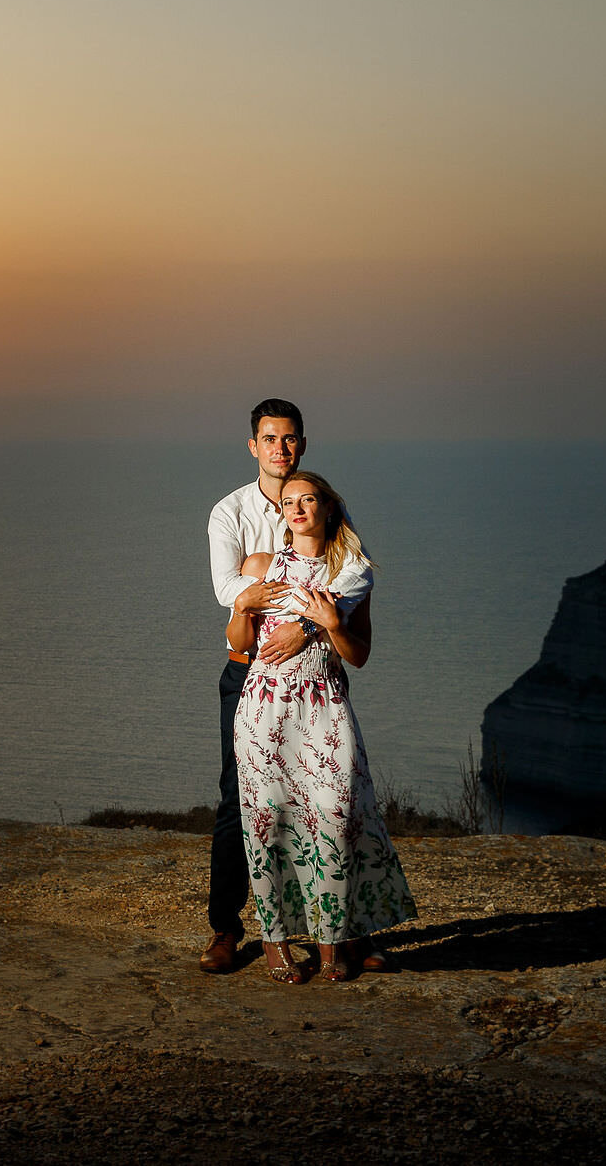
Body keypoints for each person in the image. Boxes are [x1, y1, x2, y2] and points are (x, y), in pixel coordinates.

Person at [200, 400, 373, 974]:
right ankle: (227, 928)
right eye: (269, 439)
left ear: (302, 444)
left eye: (290, 439)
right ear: (254, 446)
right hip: (249, 673)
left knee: (334, 808)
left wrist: (306, 625)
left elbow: (349, 576)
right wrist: (272, 595)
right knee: (242, 806)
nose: (280, 448)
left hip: (316, 683)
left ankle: (346, 934)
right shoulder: (231, 513)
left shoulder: (326, 502)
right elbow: (232, 592)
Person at [224, 470, 416, 982]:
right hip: (263, 708)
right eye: (289, 502)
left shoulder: (352, 572)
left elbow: (359, 656)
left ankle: (334, 942)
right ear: (281, 512)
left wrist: (327, 625)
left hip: (324, 706)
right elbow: (241, 643)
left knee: (335, 817)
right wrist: (244, 603)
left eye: (308, 500)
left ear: (329, 507)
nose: (298, 508)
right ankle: (274, 941)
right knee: (268, 825)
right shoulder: (263, 565)